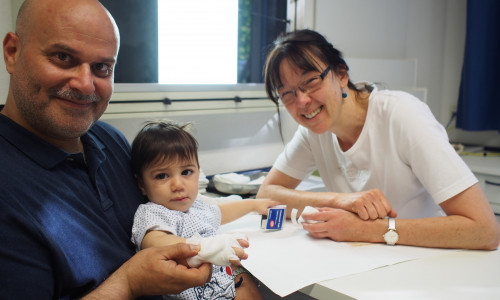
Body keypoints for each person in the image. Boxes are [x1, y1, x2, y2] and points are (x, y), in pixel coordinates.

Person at [0, 0, 225, 298]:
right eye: (63, 57)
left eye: (102, 68)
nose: (85, 84)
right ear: (12, 52)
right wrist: (129, 283)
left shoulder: (109, 140)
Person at [256, 29, 500, 250]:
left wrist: (364, 230)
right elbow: (266, 195)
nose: (302, 102)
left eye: (310, 82)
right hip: (364, 260)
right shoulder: (314, 130)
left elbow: (485, 230)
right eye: (287, 93)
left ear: (341, 74)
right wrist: (338, 200)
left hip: (425, 260)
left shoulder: (402, 115)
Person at [130, 120, 279, 300]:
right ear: (142, 184)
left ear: (198, 172)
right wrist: (209, 247)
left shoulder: (198, 206)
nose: (178, 185)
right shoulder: (153, 213)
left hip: (224, 287)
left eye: (186, 172)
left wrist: (254, 205)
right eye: (162, 176)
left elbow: (221, 212)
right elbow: (155, 241)